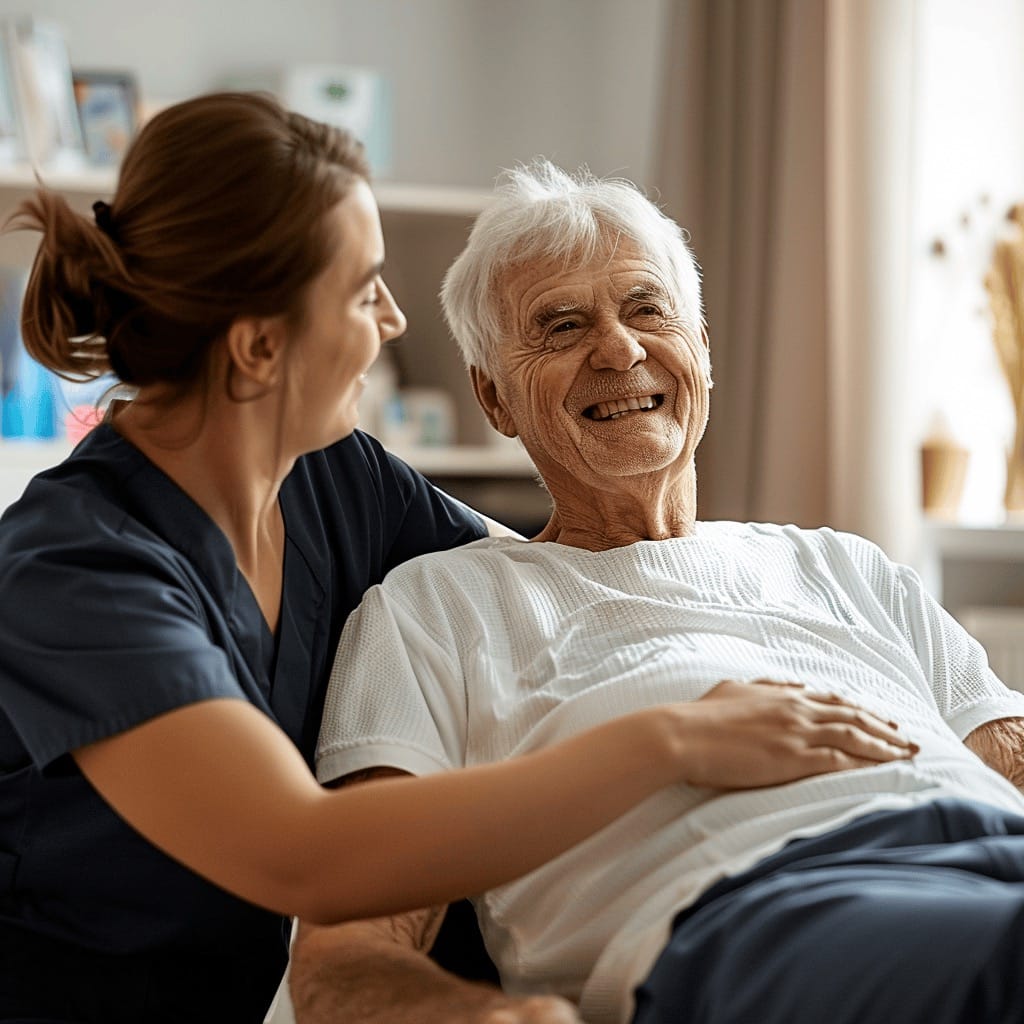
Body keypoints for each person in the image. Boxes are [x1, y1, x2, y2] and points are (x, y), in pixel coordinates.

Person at [0, 95, 914, 1024]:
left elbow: (561, 590)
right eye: (364, 292)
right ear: (260, 347)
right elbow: (304, 852)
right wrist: (677, 738)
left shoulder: (335, 481)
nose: (395, 321)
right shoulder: (76, 572)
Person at [292, 159, 1024, 1024]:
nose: (618, 348)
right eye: (560, 327)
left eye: (647, 309)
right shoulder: (435, 608)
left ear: (702, 348)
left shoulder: (845, 566)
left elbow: (1004, 755)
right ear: (494, 398)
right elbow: (346, 949)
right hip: (769, 911)